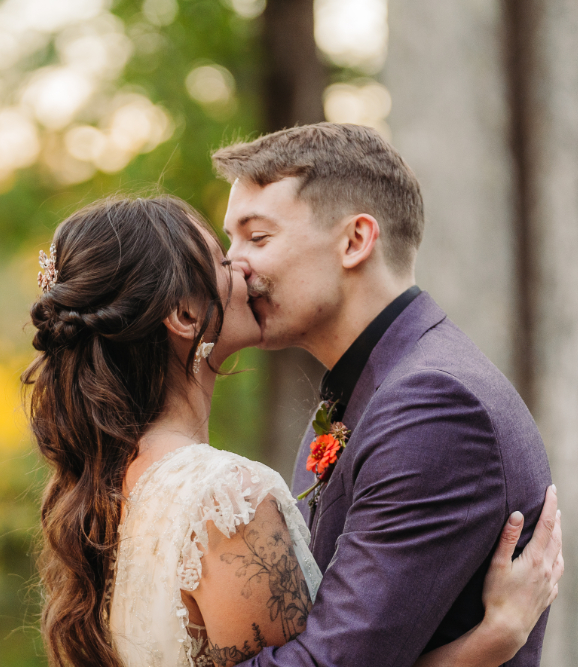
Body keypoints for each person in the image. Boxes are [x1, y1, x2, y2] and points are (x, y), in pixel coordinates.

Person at [22, 194, 562, 667]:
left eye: (255, 239)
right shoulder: (225, 495)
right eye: (221, 257)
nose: (243, 268)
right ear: (185, 315)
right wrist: (492, 641)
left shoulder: (108, 489)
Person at [211, 122, 556, 667]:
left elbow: (333, 662)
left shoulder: (435, 406)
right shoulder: (368, 385)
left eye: (257, 238)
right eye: (231, 240)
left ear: (355, 241)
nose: (234, 265)